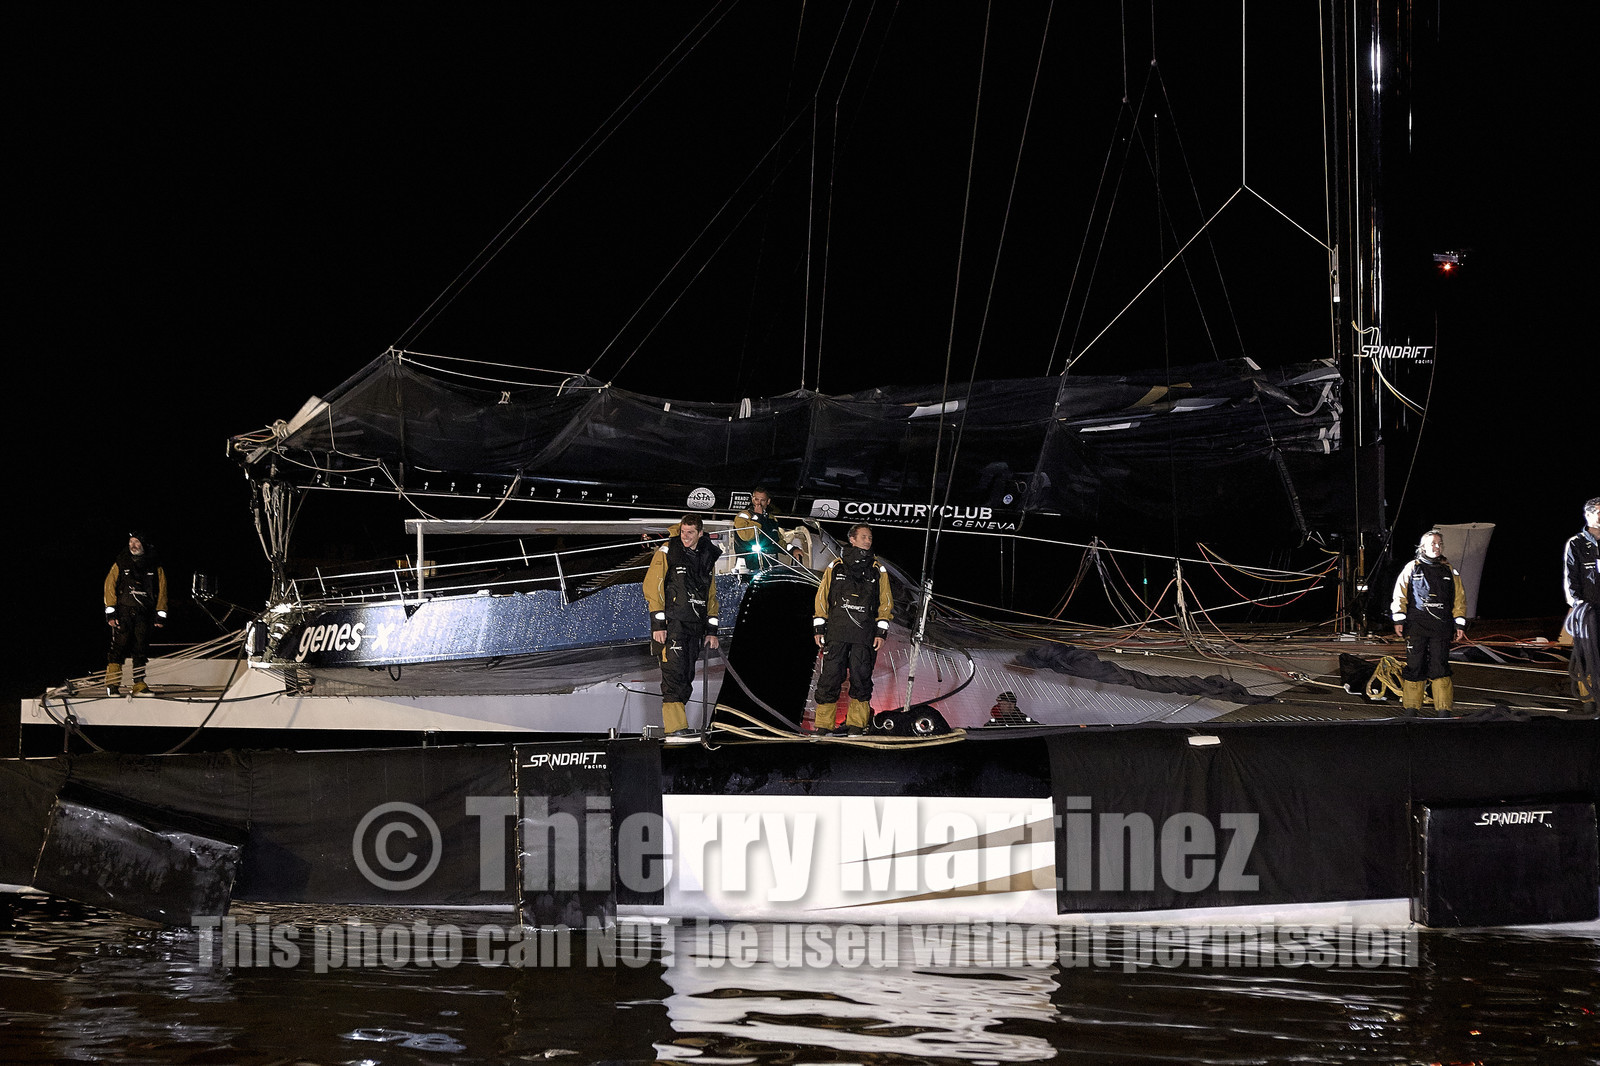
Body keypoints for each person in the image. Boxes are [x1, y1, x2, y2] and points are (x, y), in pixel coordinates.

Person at [811, 523, 893, 735]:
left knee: (861, 678)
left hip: (864, 635)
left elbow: (885, 602)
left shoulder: (878, 569)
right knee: (829, 678)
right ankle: (823, 726)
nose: (868, 540)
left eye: (870, 538)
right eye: (864, 537)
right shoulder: (836, 566)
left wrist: (881, 631)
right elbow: (822, 598)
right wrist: (819, 627)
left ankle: (857, 724)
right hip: (836, 633)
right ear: (852, 539)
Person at [642, 514, 721, 735]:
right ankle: (675, 728)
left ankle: (680, 728)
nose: (685, 536)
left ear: (700, 534)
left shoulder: (707, 557)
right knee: (674, 675)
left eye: (690, 533)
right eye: (683, 531)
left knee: (686, 676)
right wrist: (659, 625)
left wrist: (711, 631)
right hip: (672, 624)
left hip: (694, 626)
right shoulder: (668, 550)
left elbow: (711, 596)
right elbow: (652, 587)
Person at [1390, 529, 1467, 715]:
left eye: (1439, 543)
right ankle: (1411, 708)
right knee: (1415, 665)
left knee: (1440, 665)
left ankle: (1443, 710)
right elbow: (1399, 594)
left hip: (1441, 627)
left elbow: (1459, 598)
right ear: (1423, 547)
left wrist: (1459, 623)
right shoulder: (1412, 567)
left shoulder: (1449, 570)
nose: (1437, 547)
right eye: (1433, 543)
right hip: (1416, 626)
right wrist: (1399, 618)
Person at [104, 531, 168, 695]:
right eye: (130, 541)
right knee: (119, 646)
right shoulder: (120, 562)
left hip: (144, 613)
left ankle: (139, 685)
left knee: (140, 649)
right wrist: (111, 612)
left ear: (144, 544)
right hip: (124, 612)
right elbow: (109, 586)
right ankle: (112, 685)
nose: (133, 545)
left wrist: (160, 613)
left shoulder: (155, 565)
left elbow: (162, 591)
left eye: (136, 542)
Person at [1562, 497, 1600, 715]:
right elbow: (1571, 579)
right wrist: (1578, 604)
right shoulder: (1576, 544)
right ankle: (1589, 698)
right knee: (1586, 654)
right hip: (1587, 612)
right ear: (1589, 514)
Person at [732, 488, 785, 570]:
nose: (759, 503)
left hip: (770, 566)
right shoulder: (743, 516)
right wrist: (757, 517)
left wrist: (792, 550)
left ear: (768, 501)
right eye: (756, 499)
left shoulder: (772, 519)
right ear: (752, 499)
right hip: (748, 566)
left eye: (762, 500)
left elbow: (779, 541)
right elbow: (746, 536)